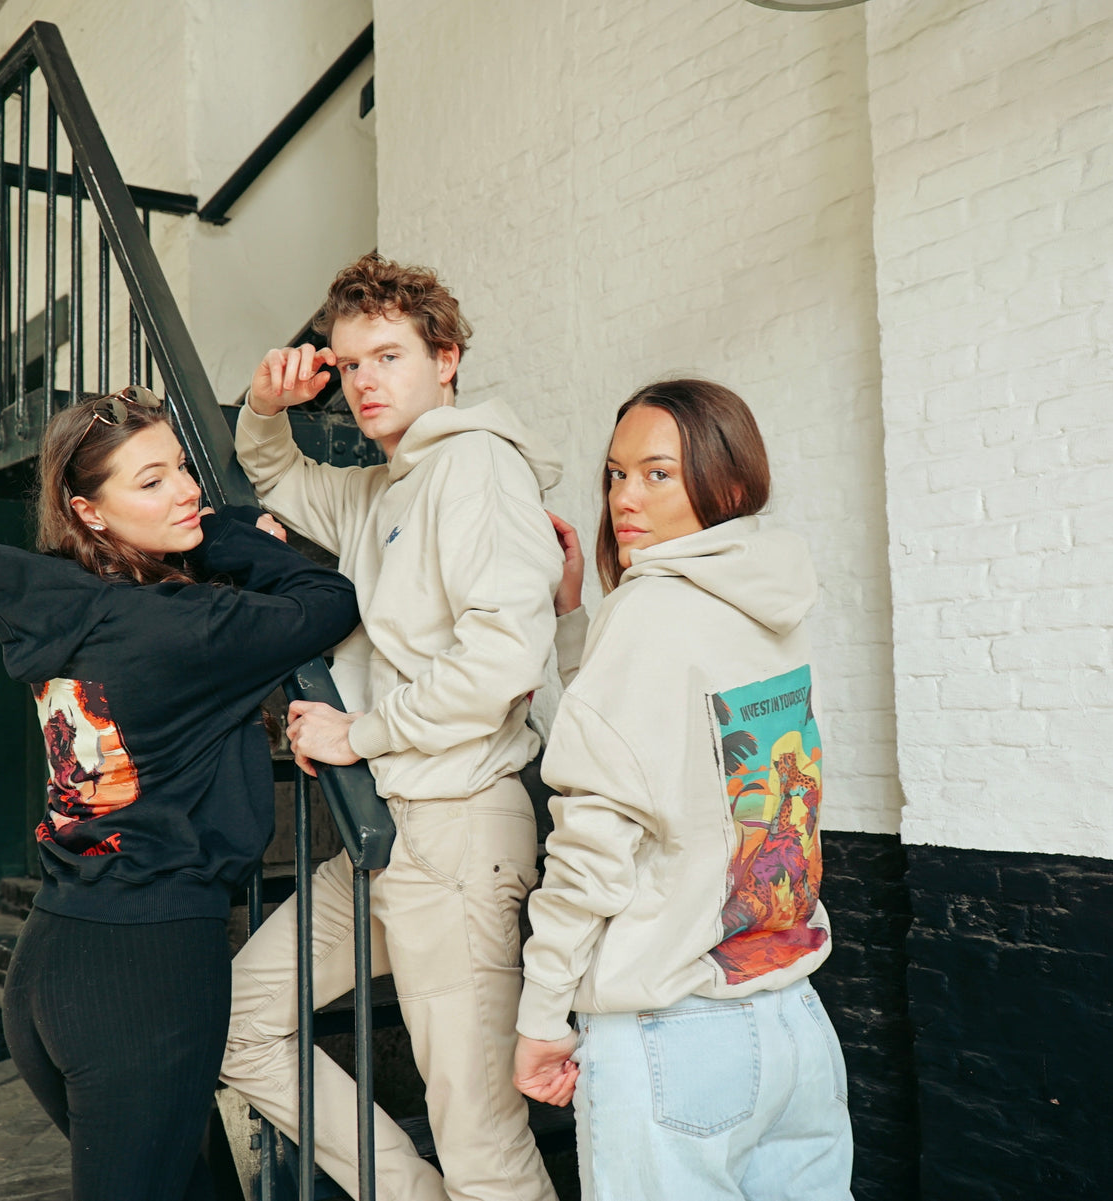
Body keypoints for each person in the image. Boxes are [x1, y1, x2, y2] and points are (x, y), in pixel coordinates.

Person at [220, 253, 562, 1201]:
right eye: (347, 363)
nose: (363, 381)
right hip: (387, 836)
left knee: (484, 1146)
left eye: (388, 356)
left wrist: (358, 732)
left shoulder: (475, 467)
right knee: (240, 1020)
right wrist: (264, 404)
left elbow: (503, 660)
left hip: (455, 828)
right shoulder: (382, 489)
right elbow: (275, 471)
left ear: (445, 359)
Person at [0, 386, 360, 1201]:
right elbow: (329, 601)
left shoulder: (71, 606)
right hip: (144, 970)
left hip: (52, 958)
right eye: (151, 481)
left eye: (182, 468)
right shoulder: (183, 629)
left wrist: (187, 542)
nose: (187, 490)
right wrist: (228, 535)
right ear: (89, 511)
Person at [512, 379, 854, 1200]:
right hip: (792, 1014)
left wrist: (541, 1016)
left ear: (726, 483)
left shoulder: (649, 615)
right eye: (614, 473)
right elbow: (649, 750)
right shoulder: (771, 601)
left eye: (656, 473)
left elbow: (595, 840)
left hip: (674, 1028)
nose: (624, 497)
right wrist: (577, 622)